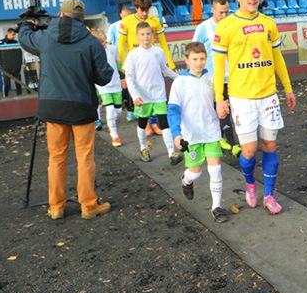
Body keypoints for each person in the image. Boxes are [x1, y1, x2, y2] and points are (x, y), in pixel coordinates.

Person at [18, 0, 114, 220]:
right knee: (84, 157)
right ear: (81, 20)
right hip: (82, 107)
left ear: (60, 15)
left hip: (53, 106)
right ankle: (88, 205)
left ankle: (56, 206)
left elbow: (24, 38)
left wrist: (26, 23)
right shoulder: (91, 42)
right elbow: (104, 77)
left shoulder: (45, 38)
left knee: (57, 157)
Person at [212, 0, 296, 214]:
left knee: (270, 144)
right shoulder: (226, 26)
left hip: (268, 95)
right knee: (248, 151)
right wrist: (220, 98)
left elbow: (278, 58)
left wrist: (287, 88)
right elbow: (219, 67)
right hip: (241, 98)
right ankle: (250, 184)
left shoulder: (269, 23)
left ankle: (269, 195)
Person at [168, 42, 227, 223]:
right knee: (195, 172)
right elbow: (173, 110)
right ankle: (186, 181)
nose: (199, 63)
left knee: (215, 169)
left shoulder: (212, 78)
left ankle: (216, 207)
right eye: (194, 59)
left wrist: (224, 108)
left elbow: (220, 102)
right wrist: (177, 134)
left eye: (202, 59)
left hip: (211, 131)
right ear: (186, 60)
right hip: (191, 135)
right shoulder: (180, 82)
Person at [123, 21, 181, 164]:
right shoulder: (133, 55)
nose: (146, 37)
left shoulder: (158, 52)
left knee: (164, 122)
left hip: (159, 94)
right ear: (137, 36)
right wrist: (135, 95)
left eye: (148, 34)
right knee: (142, 122)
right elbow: (129, 78)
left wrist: (180, 78)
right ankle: (143, 148)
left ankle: (171, 152)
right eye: (142, 34)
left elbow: (165, 69)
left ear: (153, 35)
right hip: (142, 97)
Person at [191, 0, 240, 156]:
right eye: (221, 13)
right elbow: (193, 50)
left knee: (233, 109)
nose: (224, 16)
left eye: (226, 12)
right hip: (212, 78)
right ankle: (231, 143)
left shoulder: (232, 25)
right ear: (213, 10)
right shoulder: (204, 28)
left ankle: (221, 139)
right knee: (220, 109)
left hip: (232, 76)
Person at [117, 0, 175, 69]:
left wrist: (170, 63)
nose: (145, 13)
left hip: (151, 60)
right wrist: (123, 66)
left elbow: (163, 43)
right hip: (134, 62)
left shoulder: (155, 21)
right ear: (136, 8)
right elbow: (121, 45)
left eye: (147, 10)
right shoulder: (126, 21)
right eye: (142, 10)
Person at [91, 28, 123, 147]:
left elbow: (119, 61)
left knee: (118, 111)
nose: (103, 44)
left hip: (116, 84)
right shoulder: (92, 53)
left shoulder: (112, 49)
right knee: (109, 110)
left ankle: (111, 125)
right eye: (100, 43)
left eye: (104, 42)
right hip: (103, 86)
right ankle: (115, 135)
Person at [0, 28, 23, 97]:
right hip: (6, 68)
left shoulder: (16, 42)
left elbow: (20, 54)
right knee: (6, 84)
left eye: (14, 35)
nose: (14, 36)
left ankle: (20, 97)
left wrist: (19, 64)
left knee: (18, 83)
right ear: (8, 33)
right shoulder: (0, 42)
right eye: (13, 34)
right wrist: (2, 64)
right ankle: (5, 97)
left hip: (16, 68)